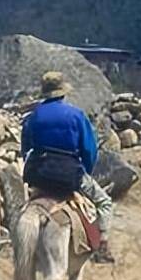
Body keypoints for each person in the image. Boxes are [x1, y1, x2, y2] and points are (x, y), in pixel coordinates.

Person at [20, 71, 115, 263]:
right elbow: (89, 150)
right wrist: (84, 173)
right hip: (68, 175)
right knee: (104, 202)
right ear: (63, 93)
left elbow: (25, 149)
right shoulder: (76, 115)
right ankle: (102, 246)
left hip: (39, 175)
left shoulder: (33, 117)